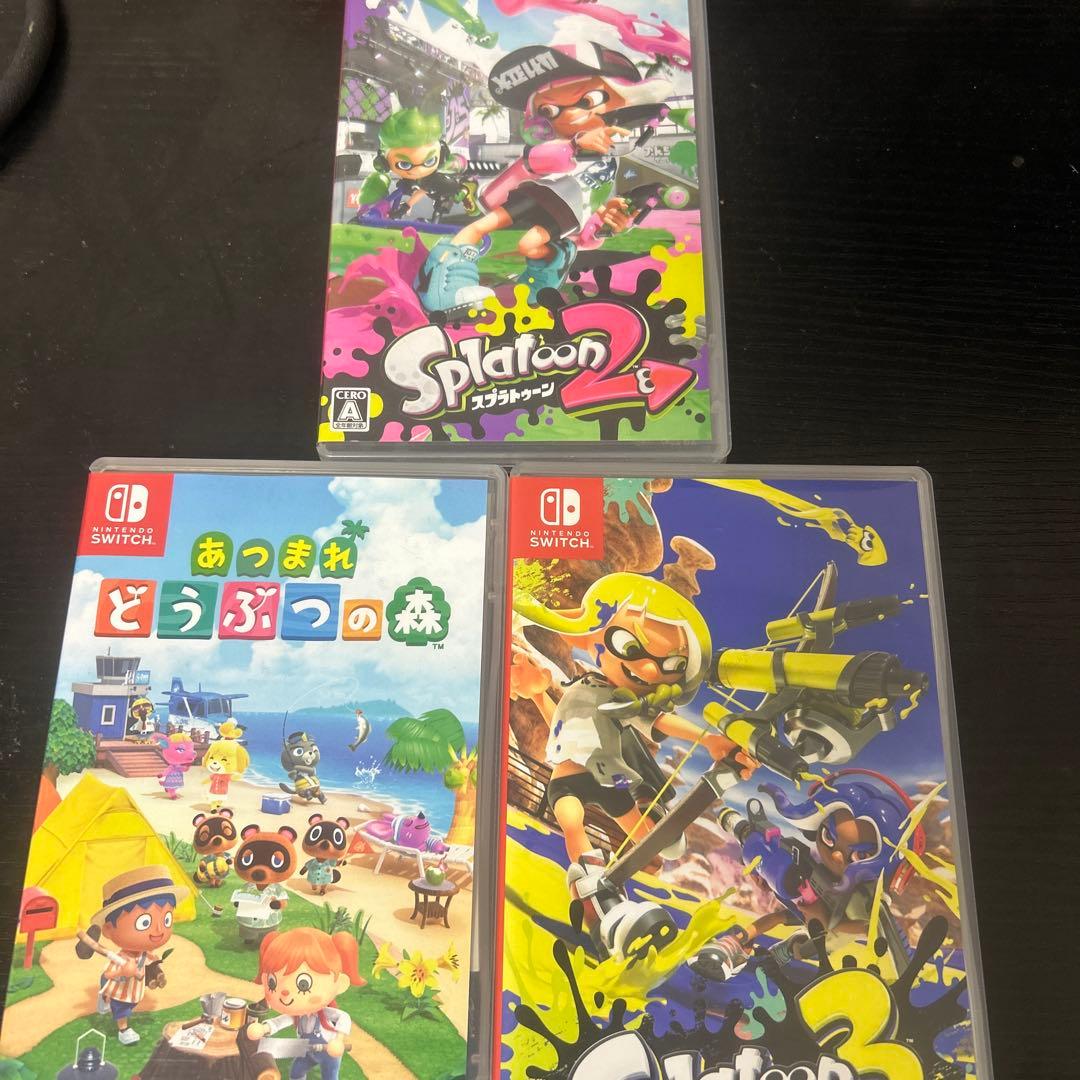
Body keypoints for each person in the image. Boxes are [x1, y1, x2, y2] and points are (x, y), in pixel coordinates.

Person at [417, 42, 671, 311]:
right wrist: (575, 144)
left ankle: (551, 265)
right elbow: (540, 158)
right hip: (533, 191)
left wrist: (605, 224)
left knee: (529, 244)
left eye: (587, 101)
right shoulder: (555, 147)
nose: (571, 114)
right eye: (549, 110)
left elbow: (591, 210)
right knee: (477, 227)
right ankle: (444, 285)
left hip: (564, 206)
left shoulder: (609, 161)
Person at [85, 866, 187, 1045]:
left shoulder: (144, 953)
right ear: (108, 929)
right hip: (121, 990)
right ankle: (123, 1030)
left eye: (166, 920)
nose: (158, 931)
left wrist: (153, 963)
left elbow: (147, 961)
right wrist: (123, 971)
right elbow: (108, 974)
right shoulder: (122, 958)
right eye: (144, 922)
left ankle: (105, 997)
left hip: (135, 990)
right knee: (122, 1008)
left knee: (131, 1004)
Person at [246, 927, 365, 1080]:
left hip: (328, 1053)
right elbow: (280, 1021)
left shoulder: (324, 1013)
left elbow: (344, 1017)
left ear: (340, 983)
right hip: (307, 1051)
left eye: (303, 985)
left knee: (330, 1077)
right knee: (296, 1073)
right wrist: (264, 1028)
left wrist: (338, 1040)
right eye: (272, 983)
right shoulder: (297, 1015)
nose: (285, 992)